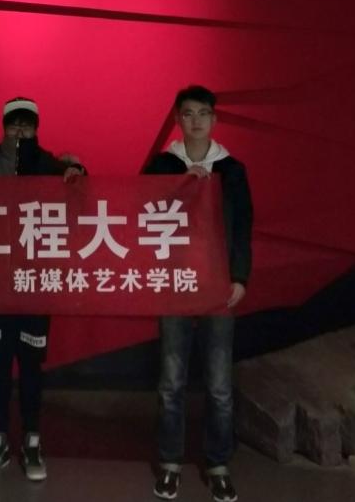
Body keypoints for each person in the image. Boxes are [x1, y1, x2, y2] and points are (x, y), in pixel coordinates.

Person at [0, 97, 85, 482]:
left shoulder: (50, 165)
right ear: (3, 126)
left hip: (34, 283)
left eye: (27, 124)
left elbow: (81, 186)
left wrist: (77, 170)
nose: (20, 131)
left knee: (30, 364)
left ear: (37, 128)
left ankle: (31, 440)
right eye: (14, 124)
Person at [147, 86, 252, 502]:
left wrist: (240, 277)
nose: (196, 121)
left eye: (203, 113)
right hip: (175, 282)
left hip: (218, 283)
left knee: (219, 384)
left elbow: (242, 225)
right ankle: (170, 463)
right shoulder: (162, 165)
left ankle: (219, 465)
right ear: (178, 119)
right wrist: (180, 183)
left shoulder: (233, 169)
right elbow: (140, 207)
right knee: (171, 381)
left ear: (214, 120)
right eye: (188, 114)